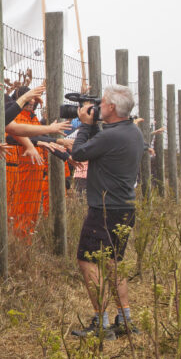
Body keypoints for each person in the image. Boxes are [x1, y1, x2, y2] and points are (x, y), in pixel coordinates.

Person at [68, 85, 145, 340]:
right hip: (124, 206)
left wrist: (84, 125)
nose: (98, 107)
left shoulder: (110, 136)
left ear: (111, 107)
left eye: (102, 103)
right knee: (113, 263)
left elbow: (79, 152)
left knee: (88, 260)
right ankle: (125, 319)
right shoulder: (133, 132)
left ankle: (101, 323)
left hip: (104, 208)